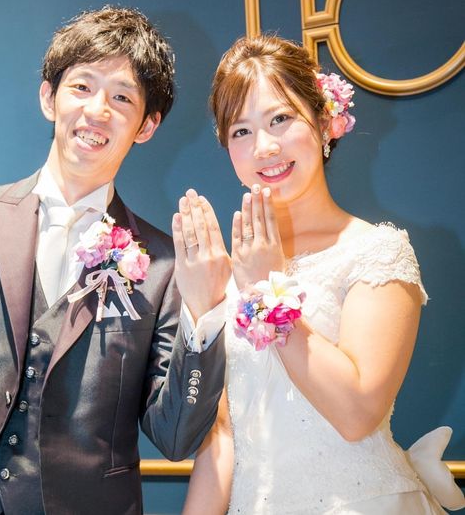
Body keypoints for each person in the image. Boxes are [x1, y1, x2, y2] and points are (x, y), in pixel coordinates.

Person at [0, 6, 227, 515]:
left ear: (147, 125)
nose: (98, 110)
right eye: (82, 87)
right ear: (49, 97)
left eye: (122, 98)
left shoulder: (161, 265)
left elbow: (175, 437)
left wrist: (203, 313)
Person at [177, 35, 465, 514]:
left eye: (280, 119)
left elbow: (356, 414)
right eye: (241, 131)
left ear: (325, 121)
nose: (264, 147)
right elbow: (223, 440)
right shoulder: (230, 272)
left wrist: (266, 292)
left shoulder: (375, 251)